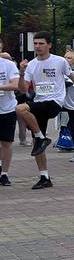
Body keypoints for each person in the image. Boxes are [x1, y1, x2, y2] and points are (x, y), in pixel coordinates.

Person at [17, 33, 74, 189]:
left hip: (54, 102)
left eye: (41, 43)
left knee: (20, 108)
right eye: (35, 43)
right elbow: (23, 89)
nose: (37, 46)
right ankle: (45, 177)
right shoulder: (31, 64)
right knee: (37, 145)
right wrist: (22, 72)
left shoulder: (59, 61)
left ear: (49, 45)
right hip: (39, 103)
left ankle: (40, 138)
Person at [0, 51, 19, 186]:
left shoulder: (9, 65)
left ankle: (4, 174)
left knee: (6, 142)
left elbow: (15, 85)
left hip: (7, 109)